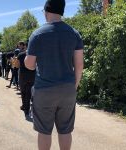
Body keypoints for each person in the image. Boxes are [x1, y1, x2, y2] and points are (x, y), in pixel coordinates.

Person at [24, 0, 84, 150]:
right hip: (68, 89)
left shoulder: (37, 34)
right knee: (65, 130)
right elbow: (79, 65)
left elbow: (30, 65)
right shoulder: (74, 33)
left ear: (46, 11)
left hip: (44, 89)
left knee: (44, 131)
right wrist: (74, 86)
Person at [17, 42, 35, 118]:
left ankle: (25, 107)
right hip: (32, 77)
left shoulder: (20, 54)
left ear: (26, 46)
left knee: (23, 92)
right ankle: (27, 108)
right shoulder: (36, 55)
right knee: (29, 93)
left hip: (22, 76)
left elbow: (17, 65)